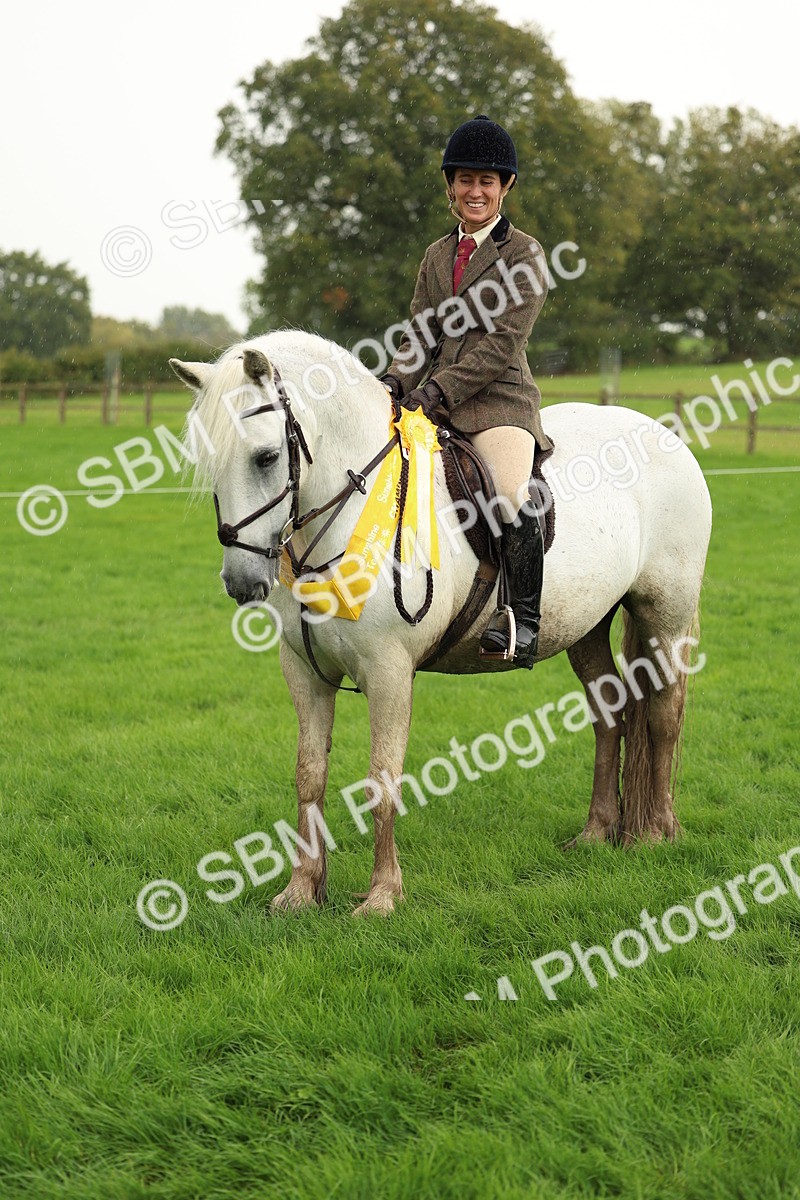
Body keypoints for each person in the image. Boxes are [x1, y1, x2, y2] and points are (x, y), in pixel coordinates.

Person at [381, 115, 552, 669]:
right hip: (436, 403)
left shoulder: (525, 256)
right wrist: (393, 381)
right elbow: (420, 333)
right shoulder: (436, 256)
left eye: (487, 181)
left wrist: (435, 391)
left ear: (505, 188)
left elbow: (501, 346)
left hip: (499, 402)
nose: (475, 191)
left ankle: (523, 620)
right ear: (450, 186)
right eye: (465, 180)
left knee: (506, 494)